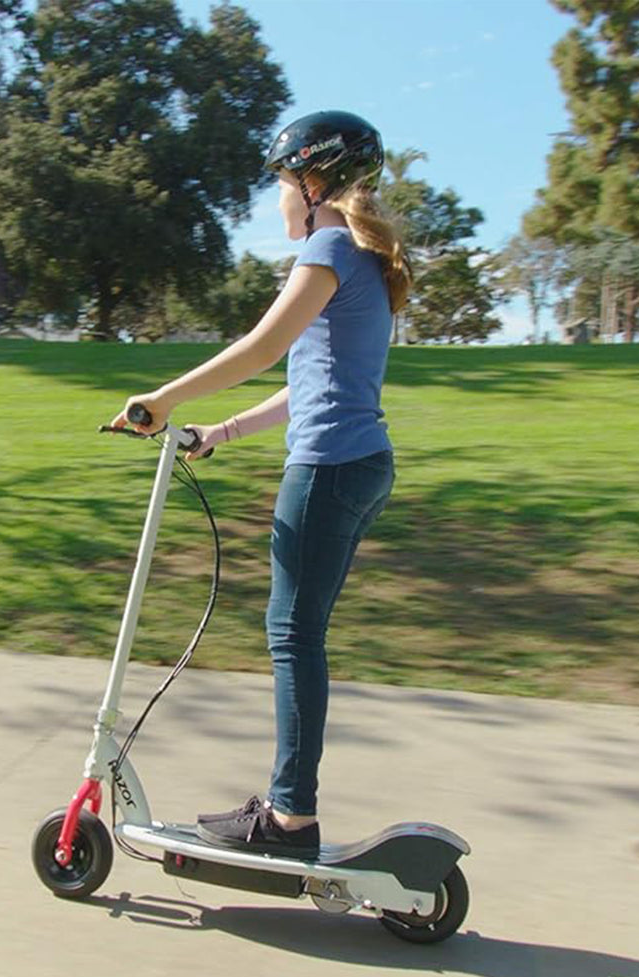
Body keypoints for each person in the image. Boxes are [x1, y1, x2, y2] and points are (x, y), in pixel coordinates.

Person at [110, 111, 412, 860]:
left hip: (330, 469)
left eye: (281, 184)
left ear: (315, 183)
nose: (277, 200)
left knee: (293, 635)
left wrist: (163, 400)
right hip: (361, 463)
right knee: (300, 633)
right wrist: (221, 433)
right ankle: (288, 807)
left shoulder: (330, 244)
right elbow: (305, 383)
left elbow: (264, 345)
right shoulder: (364, 256)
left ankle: (290, 818)